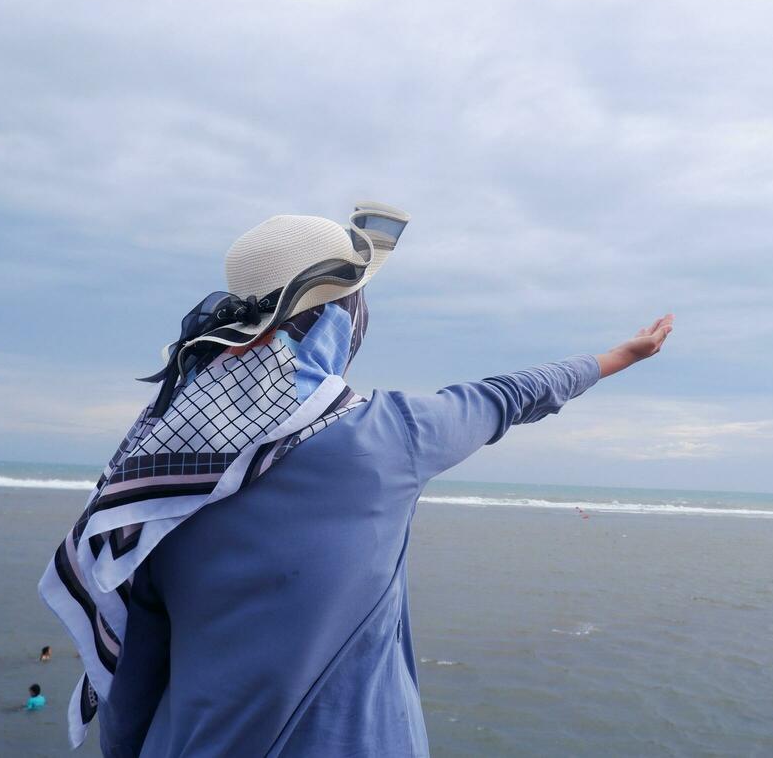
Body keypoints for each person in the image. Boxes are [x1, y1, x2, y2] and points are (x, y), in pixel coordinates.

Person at [39, 203, 673, 755]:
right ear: (345, 317)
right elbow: (510, 396)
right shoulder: (391, 439)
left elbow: (132, 672)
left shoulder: (158, 467)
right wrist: (619, 356)